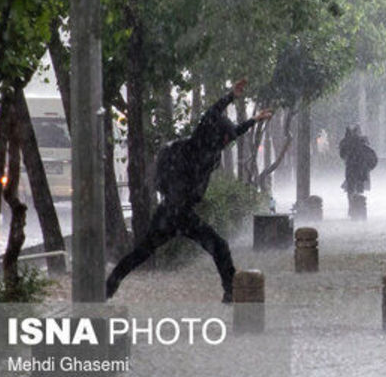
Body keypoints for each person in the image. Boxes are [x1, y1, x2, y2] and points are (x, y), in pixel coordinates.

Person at [106, 78, 273, 303]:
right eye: (225, 137)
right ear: (216, 133)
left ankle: (109, 286)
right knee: (219, 246)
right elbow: (211, 114)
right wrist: (230, 96)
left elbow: (235, 132)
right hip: (177, 211)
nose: (227, 141)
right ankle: (231, 291)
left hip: (172, 211)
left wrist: (253, 120)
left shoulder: (212, 146)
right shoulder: (198, 143)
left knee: (144, 251)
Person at [339, 126, 377, 202]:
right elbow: (373, 159)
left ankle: (353, 205)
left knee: (352, 190)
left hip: (353, 171)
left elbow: (342, 154)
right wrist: (368, 168)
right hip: (360, 171)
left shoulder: (349, 145)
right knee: (357, 191)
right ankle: (357, 205)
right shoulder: (362, 145)